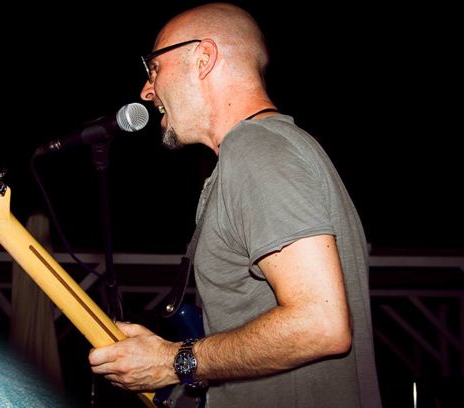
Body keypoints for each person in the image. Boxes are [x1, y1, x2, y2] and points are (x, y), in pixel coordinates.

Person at [89, 2, 382, 407]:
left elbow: (321, 324)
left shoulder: (256, 148)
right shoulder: (268, 150)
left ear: (203, 59)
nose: (147, 90)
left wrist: (174, 362)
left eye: (154, 68)